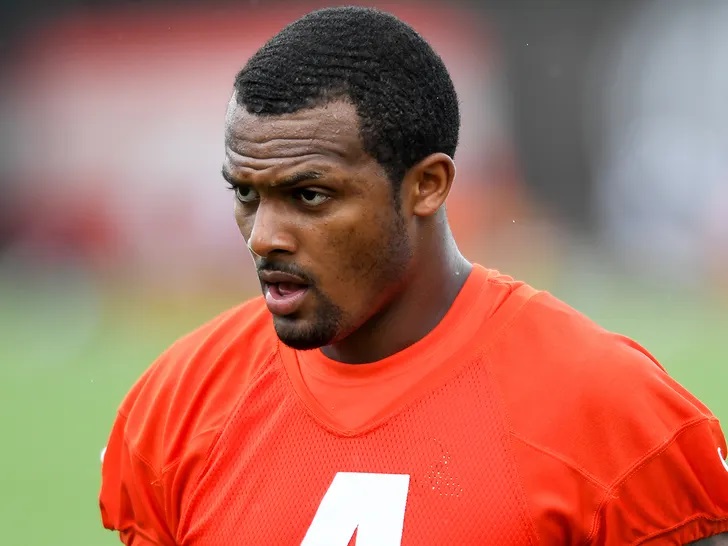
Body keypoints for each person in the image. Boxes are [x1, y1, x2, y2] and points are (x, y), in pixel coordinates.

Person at [99, 6, 728, 545]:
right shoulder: (179, 404)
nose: (263, 236)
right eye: (246, 193)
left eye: (310, 195)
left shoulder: (616, 417)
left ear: (427, 185)